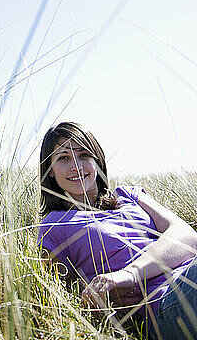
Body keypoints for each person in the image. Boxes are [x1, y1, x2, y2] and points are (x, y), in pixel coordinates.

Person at [37, 122, 197, 340]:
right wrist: (103, 296)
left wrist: (131, 274)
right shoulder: (54, 225)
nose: (76, 165)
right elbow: (63, 296)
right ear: (50, 171)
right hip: (167, 302)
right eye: (63, 158)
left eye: (84, 154)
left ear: (97, 161)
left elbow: (187, 236)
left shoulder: (128, 195)